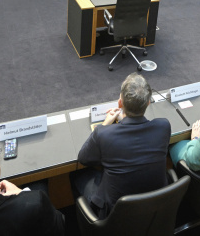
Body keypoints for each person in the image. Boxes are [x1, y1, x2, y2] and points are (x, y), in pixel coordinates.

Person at [73, 73, 170, 220]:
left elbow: (83, 158)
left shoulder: (104, 134)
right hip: (153, 209)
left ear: (120, 102)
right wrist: (123, 119)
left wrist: (105, 124)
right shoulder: (163, 126)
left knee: (77, 174)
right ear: (148, 102)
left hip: (115, 216)